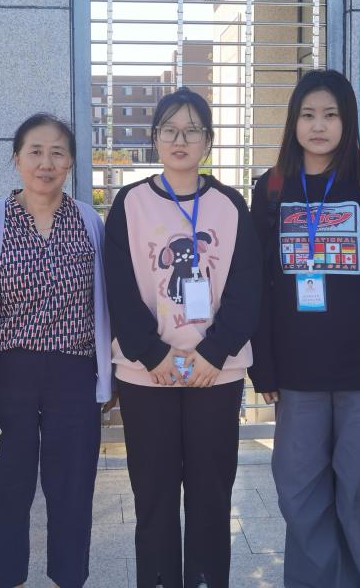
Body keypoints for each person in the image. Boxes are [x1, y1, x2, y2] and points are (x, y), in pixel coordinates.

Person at [248, 69, 360, 588]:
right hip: (297, 375)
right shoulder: (272, 187)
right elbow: (257, 285)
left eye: (331, 115)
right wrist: (264, 366)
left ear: (348, 122)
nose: (319, 126)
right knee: (300, 493)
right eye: (308, 115)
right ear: (293, 122)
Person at [104, 87, 261, 588]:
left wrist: (214, 352)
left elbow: (247, 286)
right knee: (153, 496)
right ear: (154, 138)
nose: (180, 139)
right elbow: (118, 287)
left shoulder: (230, 205)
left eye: (192, 130)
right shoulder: (130, 203)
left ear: (208, 141)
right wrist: (152, 354)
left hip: (216, 373)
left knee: (211, 495)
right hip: (146, 374)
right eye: (169, 129)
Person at [0, 113, 113, 588]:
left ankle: (69, 577)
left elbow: (106, 304)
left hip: (74, 373)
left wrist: (110, 376)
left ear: (71, 163)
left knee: (73, 488)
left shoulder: (89, 223)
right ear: (17, 160)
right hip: (8, 376)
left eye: (57, 153)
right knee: (4, 488)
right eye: (36, 152)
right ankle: (3, 579)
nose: (46, 163)